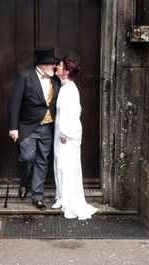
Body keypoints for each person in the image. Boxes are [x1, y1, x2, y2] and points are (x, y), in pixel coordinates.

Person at [7, 47, 60, 210]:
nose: (55, 67)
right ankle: (24, 182)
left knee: (42, 160)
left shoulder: (55, 79)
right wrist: (13, 127)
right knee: (28, 157)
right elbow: (14, 102)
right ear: (44, 65)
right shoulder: (25, 76)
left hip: (48, 127)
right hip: (27, 126)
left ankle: (37, 196)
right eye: (53, 64)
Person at [52, 57, 98, 220]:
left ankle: (69, 200)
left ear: (66, 72)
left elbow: (70, 115)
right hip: (61, 134)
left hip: (66, 136)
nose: (56, 67)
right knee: (59, 165)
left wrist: (65, 134)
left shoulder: (70, 89)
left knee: (66, 167)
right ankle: (62, 197)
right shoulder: (65, 88)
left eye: (60, 66)